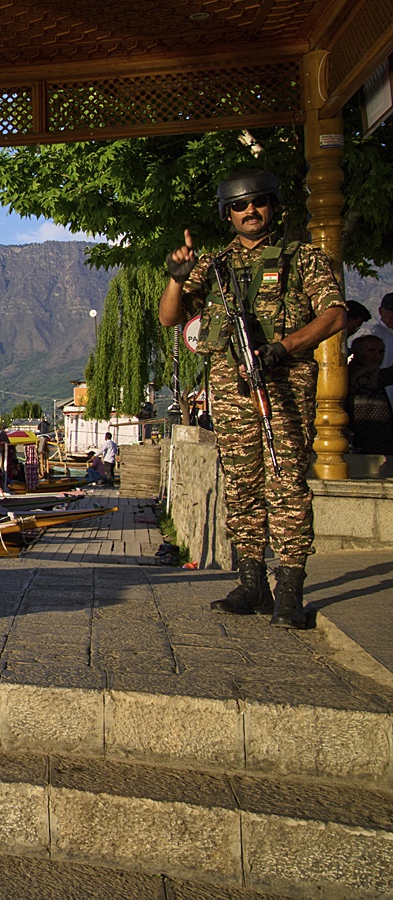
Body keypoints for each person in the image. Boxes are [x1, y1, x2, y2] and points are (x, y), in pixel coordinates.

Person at [160, 168, 346, 629]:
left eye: (258, 202)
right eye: (240, 206)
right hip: (231, 391)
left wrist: (285, 346)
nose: (250, 211)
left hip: (284, 386)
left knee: (286, 486)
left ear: (273, 206)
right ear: (228, 214)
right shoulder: (214, 266)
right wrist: (177, 279)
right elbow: (169, 317)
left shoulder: (302, 258)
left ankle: (290, 588)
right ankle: (252, 581)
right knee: (242, 486)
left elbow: (336, 314)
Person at [348, 333, 393, 455]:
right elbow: (386, 376)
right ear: (358, 352)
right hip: (362, 442)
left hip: (380, 441)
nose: (377, 356)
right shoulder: (354, 373)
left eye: (381, 352)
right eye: (371, 351)